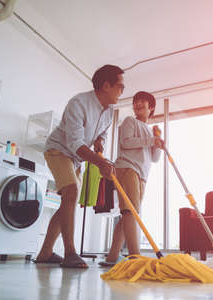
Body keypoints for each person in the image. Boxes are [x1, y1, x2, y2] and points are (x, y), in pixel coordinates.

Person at [34, 65, 124, 268]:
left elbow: (103, 132)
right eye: (120, 86)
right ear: (106, 86)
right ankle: (70, 253)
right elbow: (75, 142)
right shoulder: (78, 103)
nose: (122, 91)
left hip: (75, 158)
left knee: (69, 200)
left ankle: (45, 254)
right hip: (58, 150)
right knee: (72, 192)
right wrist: (100, 162)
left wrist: (100, 140)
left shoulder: (109, 111)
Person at [99, 91, 164, 266]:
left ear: (151, 108)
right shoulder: (130, 121)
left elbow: (155, 158)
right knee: (130, 211)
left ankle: (112, 257)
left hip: (142, 174)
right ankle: (136, 256)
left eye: (143, 101)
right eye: (136, 102)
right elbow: (126, 142)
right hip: (127, 167)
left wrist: (158, 140)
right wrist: (151, 140)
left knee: (127, 212)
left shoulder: (150, 131)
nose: (138, 104)